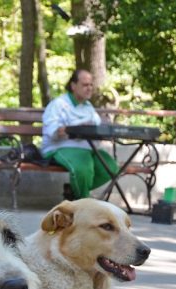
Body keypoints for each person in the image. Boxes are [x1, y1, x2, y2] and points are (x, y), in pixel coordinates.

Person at [41, 69, 119, 200]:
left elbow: (97, 129)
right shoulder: (58, 104)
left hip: (88, 149)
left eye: (91, 85)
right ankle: (83, 201)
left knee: (110, 167)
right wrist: (77, 129)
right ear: (73, 86)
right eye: (85, 85)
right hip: (61, 147)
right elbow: (52, 131)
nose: (89, 88)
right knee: (83, 168)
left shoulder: (88, 107)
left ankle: (74, 191)